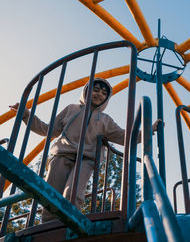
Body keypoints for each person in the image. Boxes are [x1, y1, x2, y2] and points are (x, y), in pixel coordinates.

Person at [10, 78, 158, 222]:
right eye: (96, 89)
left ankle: (69, 221)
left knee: (72, 192)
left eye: (104, 93)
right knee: (51, 192)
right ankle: (49, 224)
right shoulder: (71, 109)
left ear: (107, 98)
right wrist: (26, 115)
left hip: (87, 159)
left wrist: (147, 130)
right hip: (62, 155)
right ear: (87, 91)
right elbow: (48, 130)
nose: (99, 94)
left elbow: (123, 137)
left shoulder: (106, 120)